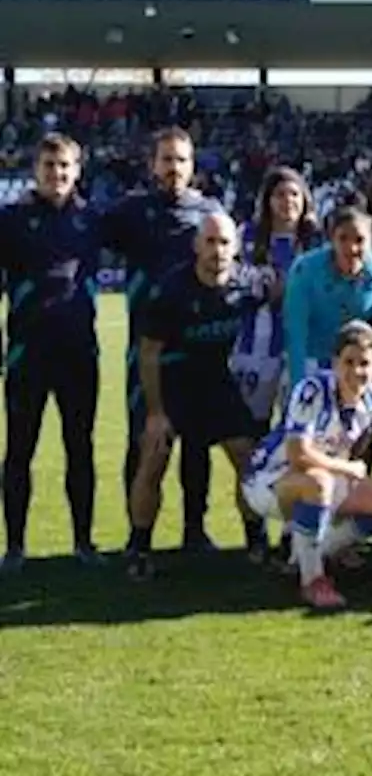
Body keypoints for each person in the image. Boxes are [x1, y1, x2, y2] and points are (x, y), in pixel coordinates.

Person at [126, 213, 277, 580]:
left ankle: (256, 540)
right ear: (196, 246)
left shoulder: (248, 285)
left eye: (224, 242)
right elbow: (148, 353)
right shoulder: (172, 290)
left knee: (248, 458)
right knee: (154, 459)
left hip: (216, 382)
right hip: (172, 383)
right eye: (209, 242)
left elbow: (278, 293)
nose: (217, 250)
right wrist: (156, 412)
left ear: (236, 248)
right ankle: (139, 546)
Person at [241, 321, 372, 609]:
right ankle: (313, 580)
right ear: (334, 362)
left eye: (364, 363)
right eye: (348, 362)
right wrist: (348, 468)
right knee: (319, 482)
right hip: (270, 480)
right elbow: (298, 455)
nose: (356, 371)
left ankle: (306, 554)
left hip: (323, 475)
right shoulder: (312, 390)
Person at [104, 126, 223, 552]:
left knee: (197, 445)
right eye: (166, 159)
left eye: (181, 160)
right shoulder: (129, 212)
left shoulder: (207, 212)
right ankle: (139, 537)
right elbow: (81, 236)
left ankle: (195, 529)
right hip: (147, 349)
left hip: (198, 351)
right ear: (153, 164)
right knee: (145, 442)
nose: (174, 167)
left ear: (193, 166)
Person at [0, 134, 105, 569]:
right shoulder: (11, 219)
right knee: (19, 449)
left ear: (77, 170)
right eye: (49, 166)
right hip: (28, 354)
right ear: (35, 170)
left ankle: (83, 543)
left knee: (79, 447)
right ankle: (16, 548)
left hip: (79, 354)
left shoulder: (93, 219)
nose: (57, 174)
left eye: (64, 166)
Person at [229, 166, 321, 430]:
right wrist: (261, 291)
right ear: (267, 200)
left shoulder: (317, 241)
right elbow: (230, 283)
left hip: (304, 347)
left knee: (300, 427)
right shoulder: (245, 235)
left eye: (294, 194)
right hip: (255, 346)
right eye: (280, 194)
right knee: (251, 429)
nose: (288, 201)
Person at [283, 204, 372, 388]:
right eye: (343, 239)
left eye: (360, 240)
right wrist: (298, 385)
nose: (352, 248)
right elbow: (295, 330)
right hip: (315, 358)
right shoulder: (306, 270)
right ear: (331, 240)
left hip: (360, 362)